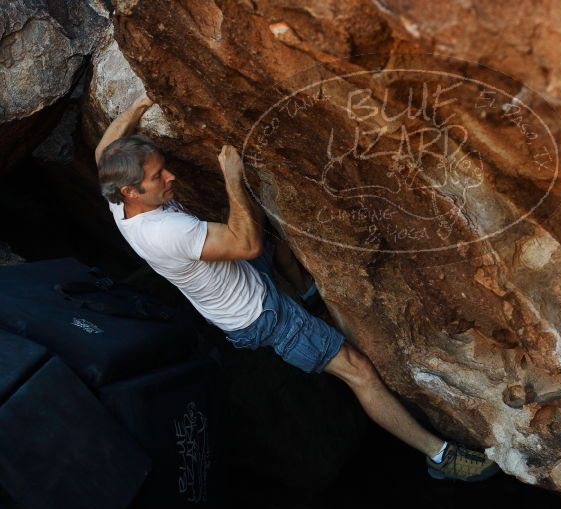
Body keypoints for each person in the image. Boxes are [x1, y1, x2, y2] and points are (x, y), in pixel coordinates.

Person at [96, 94, 499, 482]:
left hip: (242, 280)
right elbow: (245, 243)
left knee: (279, 244)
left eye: (162, 168)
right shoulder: (167, 231)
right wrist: (232, 179)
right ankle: (440, 457)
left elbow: (105, 149)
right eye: (157, 178)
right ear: (131, 191)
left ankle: (308, 298)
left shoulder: (117, 194)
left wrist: (139, 105)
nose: (170, 177)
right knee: (359, 373)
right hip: (261, 315)